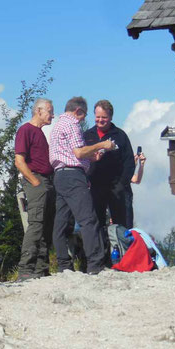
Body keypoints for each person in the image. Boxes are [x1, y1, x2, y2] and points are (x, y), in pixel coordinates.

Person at [49, 96, 115, 274]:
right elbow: (78, 152)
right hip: (72, 176)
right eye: (84, 115)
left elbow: (70, 152)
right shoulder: (72, 124)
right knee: (88, 219)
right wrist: (102, 145)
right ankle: (96, 264)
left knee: (61, 223)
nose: (84, 119)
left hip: (59, 175)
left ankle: (64, 265)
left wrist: (91, 156)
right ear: (78, 111)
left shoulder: (58, 126)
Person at [14, 98, 55, 280]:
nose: (52, 115)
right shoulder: (26, 130)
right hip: (36, 180)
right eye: (50, 111)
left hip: (46, 180)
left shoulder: (39, 133)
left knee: (46, 226)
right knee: (36, 224)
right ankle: (25, 269)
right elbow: (19, 161)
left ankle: (41, 268)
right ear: (39, 111)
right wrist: (35, 181)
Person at [83, 100, 135, 228]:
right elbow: (80, 160)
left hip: (116, 188)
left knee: (121, 225)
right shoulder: (87, 135)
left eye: (104, 117)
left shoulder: (120, 136)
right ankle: (100, 248)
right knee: (95, 225)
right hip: (95, 187)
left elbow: (129, 163)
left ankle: (121, 248)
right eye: (97, 117)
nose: (100, 120)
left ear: (111, 117)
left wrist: (122, 184)